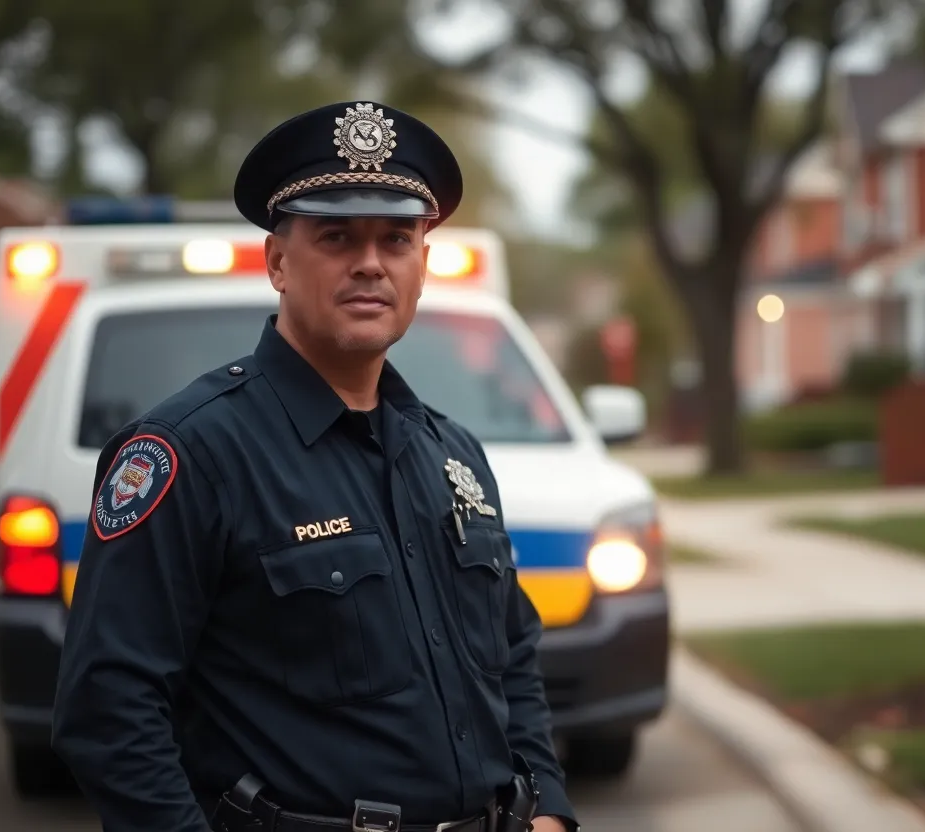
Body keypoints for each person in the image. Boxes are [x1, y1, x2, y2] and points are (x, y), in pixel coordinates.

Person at [51, 101, 578, 832]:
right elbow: (109, 713)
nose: (370, 261)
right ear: (277, 261)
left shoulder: (453, 453)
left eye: (396, 238)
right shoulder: (189, 453)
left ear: (422, 265)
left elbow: (513, 658)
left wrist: (546, 807)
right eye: (337, 236)